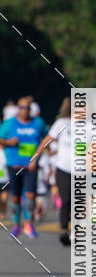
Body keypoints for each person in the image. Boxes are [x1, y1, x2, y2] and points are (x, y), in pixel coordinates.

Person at [0, 97, 48, 238]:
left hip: (31, 166)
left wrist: (41, 154)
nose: (25, 111)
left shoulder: (38, 123)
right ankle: (16, 225)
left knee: (31, 195)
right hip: (13, 165)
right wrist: (9, 142)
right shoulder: (9, 124)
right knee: (15, 197)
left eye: (27, 108)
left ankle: (29, 223)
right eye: (22, 107)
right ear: (18, 108)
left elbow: (46, 138)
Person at [32, 97, 72, 245]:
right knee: (66, 200)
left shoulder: (91, 124)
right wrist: (35, 158)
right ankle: (63, 231)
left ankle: (77, 231)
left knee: (81, 202)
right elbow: (46, 141)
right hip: (63, 169)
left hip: (83, 170)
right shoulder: (61, 124)